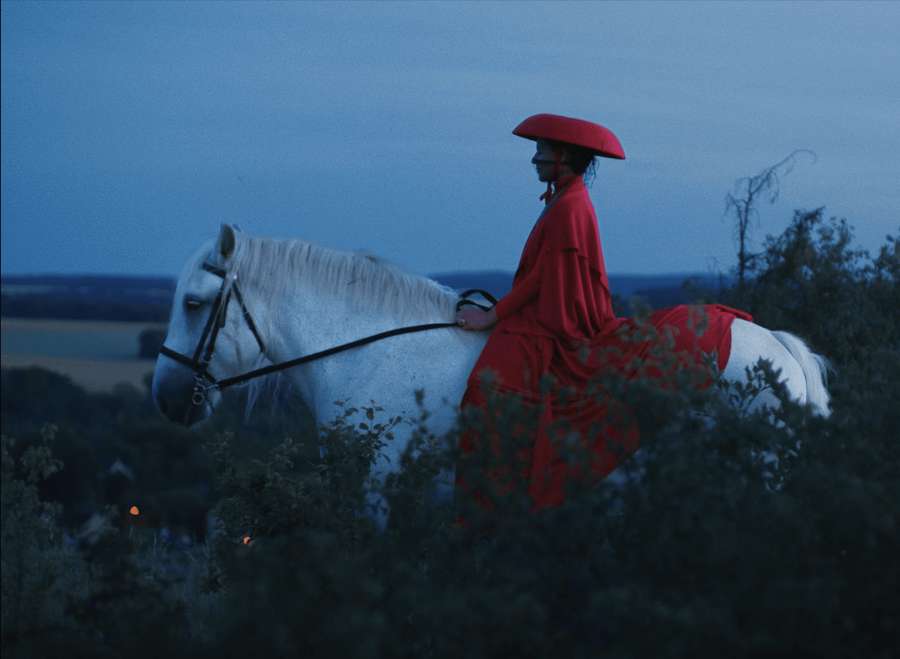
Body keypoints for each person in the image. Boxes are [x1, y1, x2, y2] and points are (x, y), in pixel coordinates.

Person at [455, 113, 751, 511]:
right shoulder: (565, 199)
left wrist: (492, 317)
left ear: (563, 156)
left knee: (488, 386)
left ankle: (499, 496)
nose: (534, 158)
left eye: (541, 150)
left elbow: (542, 277)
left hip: (558, 322)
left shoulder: (569, 206)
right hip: (549, 312)